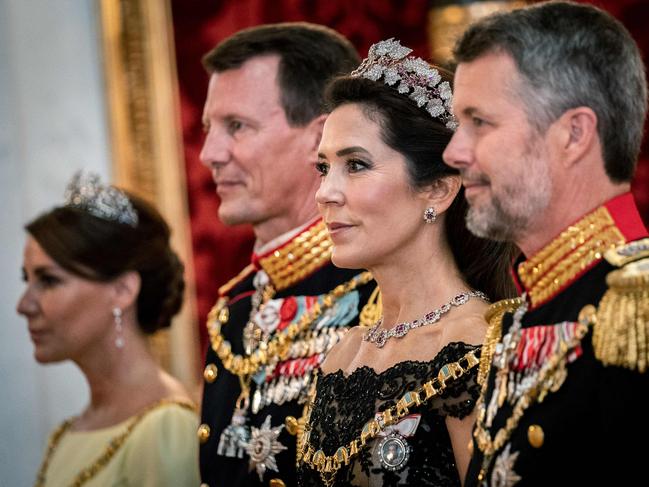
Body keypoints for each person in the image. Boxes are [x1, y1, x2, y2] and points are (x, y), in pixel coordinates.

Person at [442, 2, 649, 485]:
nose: (453, 151)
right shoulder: (518, 318)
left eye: (479, 122)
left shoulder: (636, 311)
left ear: (574, 134)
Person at [295, 38, 517, 486]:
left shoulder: (478, 350)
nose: (325, 193)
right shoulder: (342, 351)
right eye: (324, 168)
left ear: (438, 189)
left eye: (355, 165)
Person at [198, 22, 377, 486]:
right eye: (208, 128)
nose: (208, 153)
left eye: (235, 126)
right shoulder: (235, 308)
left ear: (319, 140)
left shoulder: (379, 289)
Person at [17, 171, 200, 486]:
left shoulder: (166, 429)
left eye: (48, 280)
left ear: (122, 291)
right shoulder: (65, 434)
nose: (24, 305)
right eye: (27, 280)